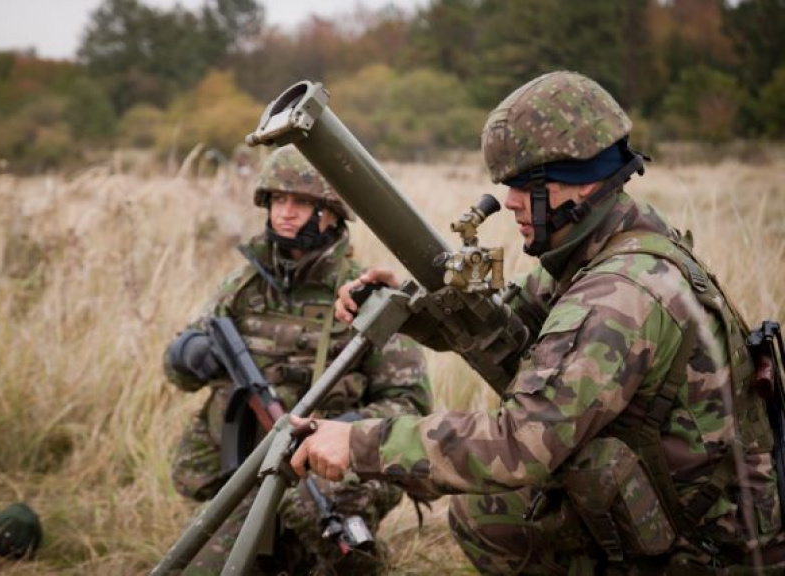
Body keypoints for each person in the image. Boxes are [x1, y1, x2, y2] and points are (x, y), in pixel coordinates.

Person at [290, 70, 784, 573]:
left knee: (494, 511)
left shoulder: (619, 294)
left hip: (714, 552)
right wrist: (405, 308)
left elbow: (520, 444)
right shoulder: (613, 240)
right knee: (487, 515)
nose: (509, 201)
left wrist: (360, 443)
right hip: (680, 506)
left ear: (583, 180)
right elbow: (503, 322)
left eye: (526, 184)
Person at [163, 145, 432, 575]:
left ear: (331, 213)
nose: (286, 213)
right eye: (278, 200)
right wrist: (187, 355)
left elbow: (410, 404)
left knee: (329, 531)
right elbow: (180, 372)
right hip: (250, 475)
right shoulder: (242, 287)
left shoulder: (364, 297)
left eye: (302, 202)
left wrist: (342, 432)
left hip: (328, 477)